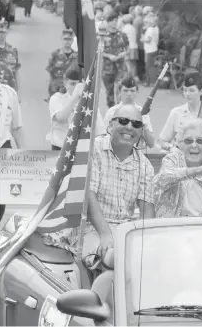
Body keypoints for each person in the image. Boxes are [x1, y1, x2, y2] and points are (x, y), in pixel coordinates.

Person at [42, 104, 156, 260]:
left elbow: (147, 212)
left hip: (126, 230)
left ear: (141, 131)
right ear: (111, 125)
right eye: (123, 121)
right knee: (112, 258)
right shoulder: (92, 151)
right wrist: (105, 234)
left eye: (136, 124)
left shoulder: (145, 165)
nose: (129, 127)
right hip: (90, 228)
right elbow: (89, 196)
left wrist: (145, 240)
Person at [154, 118, 202, 217]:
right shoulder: (172, 161)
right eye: (188, 141)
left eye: (200, 141)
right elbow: (160, 181)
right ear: (181, 143)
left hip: (200, 229)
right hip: (171, 228)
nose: (194, 145)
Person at [103, 75, 155, 148]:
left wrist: (144, 125)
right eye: (125, 90)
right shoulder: (112, 112)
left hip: (137, 155)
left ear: (136, 92)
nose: (129, 94)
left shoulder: (142, 113)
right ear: (119, 92)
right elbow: (104, 139)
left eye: (132, 90)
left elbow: (151, 144)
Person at [158, 72, 202, 151]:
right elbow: (162, 141)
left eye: (192, 90)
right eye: (185, 90)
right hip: (181, 158)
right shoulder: (176, 113)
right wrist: (171, 148)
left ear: (201, 91)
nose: (187, 94)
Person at [0, 83, 25, 222]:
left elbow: (16, 127)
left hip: (3, 147)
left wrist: (26, 155)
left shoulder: (9, 93)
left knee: (1, 196)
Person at [46, 68, 84, 150]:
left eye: (78, 85)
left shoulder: (86, 100)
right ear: (65, 83)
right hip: (60, 148)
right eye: (72, 84)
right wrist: (75, 97)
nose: (75, 88)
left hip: (79, 149)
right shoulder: (57, 98)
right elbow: (61, 117)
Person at [102, 12, 129, 108]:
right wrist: (109, 56)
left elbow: (128, 49)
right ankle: (111, 111)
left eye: (116, 20)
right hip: (107, 67)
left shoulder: (122, 35)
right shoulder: (102, 35)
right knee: (109, 91)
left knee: (121, 88)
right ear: (108, 22)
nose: (115, 22)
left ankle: (120, 110)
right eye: (112, 21)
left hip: (121, 67)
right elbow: (98, 51)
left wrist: (124, 53)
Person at [46, 29, 78, 99]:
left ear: (72, 40)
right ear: (61, 39)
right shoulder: (55, 55)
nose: (67, 42)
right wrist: (49, 91)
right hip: (56, 88)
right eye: (65, 39)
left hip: (71, 89)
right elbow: (50, 73)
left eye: (69, 39)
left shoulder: (76, 56)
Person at [141, 13, 159, 86]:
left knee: (149, 67)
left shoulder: (150, 29)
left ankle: (152, 82)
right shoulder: (155, 28)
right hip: (153, 48)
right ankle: (149, 81)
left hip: (150, 50)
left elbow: (148, 40)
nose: (145, 24)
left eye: (146, 22)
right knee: (149, 66)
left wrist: (142, 39)